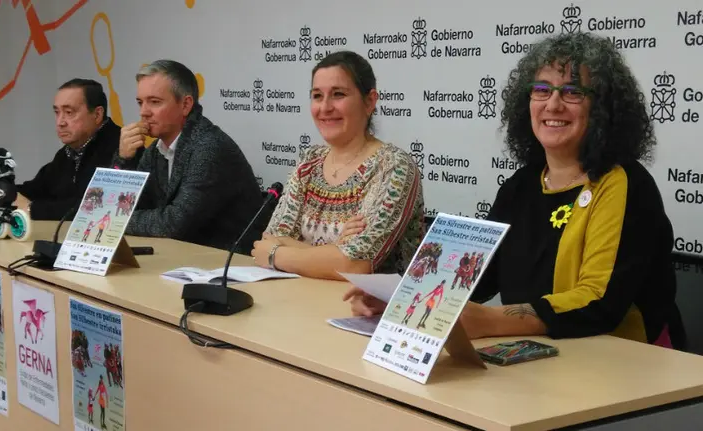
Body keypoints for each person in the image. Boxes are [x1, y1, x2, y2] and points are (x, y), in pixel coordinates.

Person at [344, 32, 685, 349]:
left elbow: (599, 302)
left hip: (624, 363)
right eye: (542, 90)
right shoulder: (519, 186)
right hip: (544, 355)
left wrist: (492, 320)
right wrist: (401, 297)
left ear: (604, 108)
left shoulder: (623, 183)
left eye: (573, 92)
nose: (553, 104)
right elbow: (475, 276)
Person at [251, 51, 425, 280]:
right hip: (300, 300)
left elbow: (356, 265)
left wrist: (278, 254)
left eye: (338, 94)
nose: (325, 107)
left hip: (368, 311)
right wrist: (333, 252)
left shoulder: (393, 167)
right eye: (316, 96)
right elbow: (269, 239)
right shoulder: (308, 164)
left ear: (370, 101)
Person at [113, 60, 264, 253]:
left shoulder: (209, 147)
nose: (144, 112)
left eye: (155, 102)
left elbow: (173, 225)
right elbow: (120, 205)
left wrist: (116, 219)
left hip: (228, 266)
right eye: (140, 102)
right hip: (182, 259)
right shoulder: (155, 151)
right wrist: (124, 160)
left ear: (185, 105)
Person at [14, 79, 120, 220]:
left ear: (97, 115)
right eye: (57, 112)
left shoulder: (121, 149)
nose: (60, 122)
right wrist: (2, 191)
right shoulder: (67, 153)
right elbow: (35, 190)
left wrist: (31, 209)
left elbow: (96, 206)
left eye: (69, 112)